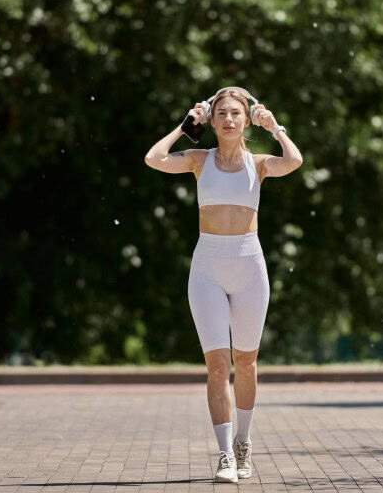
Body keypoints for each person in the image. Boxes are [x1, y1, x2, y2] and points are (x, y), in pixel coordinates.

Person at [144, 87, 303, 483]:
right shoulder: (200, 160)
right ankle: (224, 454)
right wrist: (184, 126)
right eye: (221, 114)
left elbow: (295, 161)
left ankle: (244, 445)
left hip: (249, 265)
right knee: (217, 366)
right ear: (211, 122)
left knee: (245, 361)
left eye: (236, 113)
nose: (229, 119)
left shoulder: (260, 163)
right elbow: (154, 158)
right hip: (208, 267)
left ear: (246, 121)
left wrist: (276, 126)